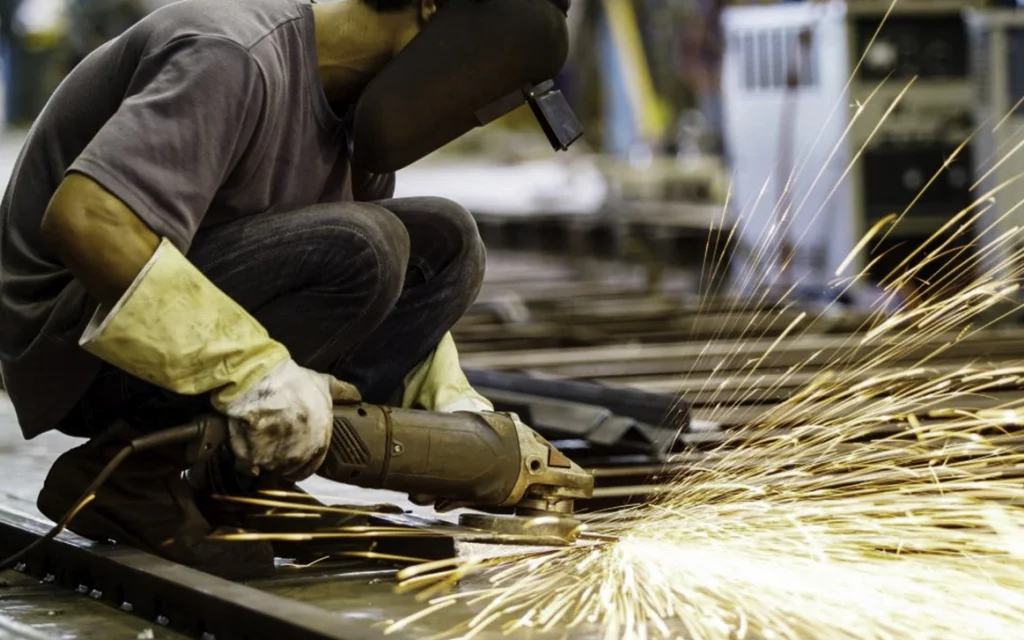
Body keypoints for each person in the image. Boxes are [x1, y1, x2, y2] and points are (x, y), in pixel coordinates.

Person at [0, 0, 497, 578]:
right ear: (432, 9)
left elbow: (385, 295)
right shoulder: (233, 54)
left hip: (163, 310)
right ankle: (127, 477)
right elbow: (87, 221)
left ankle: (242, 485)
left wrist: (458, 413)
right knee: (366, 245)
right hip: (70, 337)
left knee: (447, 242)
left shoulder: (361, 118)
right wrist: (253, 371)